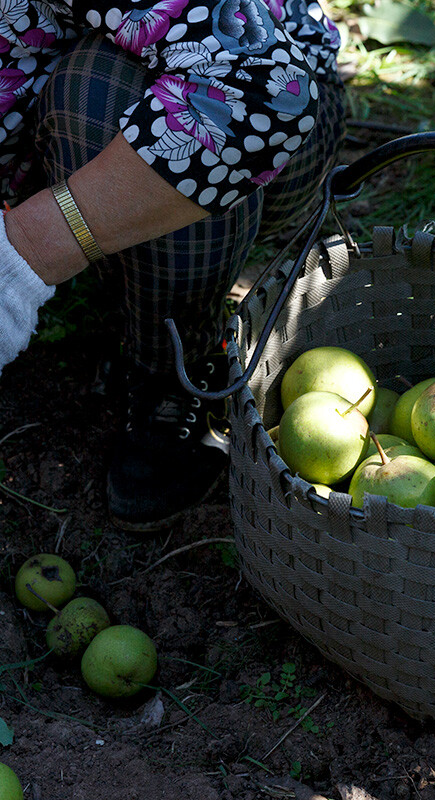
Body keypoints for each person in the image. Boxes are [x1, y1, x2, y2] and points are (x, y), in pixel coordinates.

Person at [0, 0, 347, 530]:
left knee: (106, 93)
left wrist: (19, 259)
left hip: (255, 105)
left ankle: (176, 358)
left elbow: (257, 90)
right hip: (40, 123)